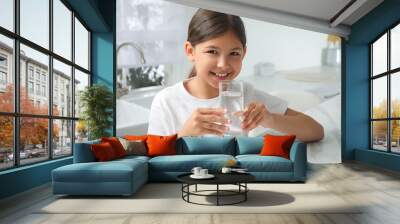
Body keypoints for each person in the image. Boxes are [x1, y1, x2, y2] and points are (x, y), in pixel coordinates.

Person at [148, 9, 324, 142]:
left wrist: (270, 119)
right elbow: (152, 161)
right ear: (190, 51)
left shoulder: (244, 93)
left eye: (234, 53)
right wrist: (184, 135)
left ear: (244, 53)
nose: (223, 64)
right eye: (212, 51)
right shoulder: (166, 101)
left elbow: (315, 131)